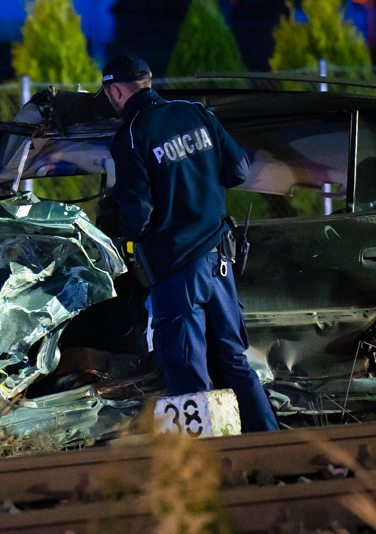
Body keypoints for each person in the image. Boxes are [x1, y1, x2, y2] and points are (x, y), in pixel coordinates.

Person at [100, 55, 278, 433]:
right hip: (219, 263)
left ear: (116, 90)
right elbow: (239, 170)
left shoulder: (132, 135)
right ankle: (273, 447)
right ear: (148, 82)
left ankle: (202, 467)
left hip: (177, 269)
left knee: (186, 371)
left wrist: (126, 239)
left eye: (109, 96)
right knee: (233, 360)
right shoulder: (195, 112)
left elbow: (139, 216)